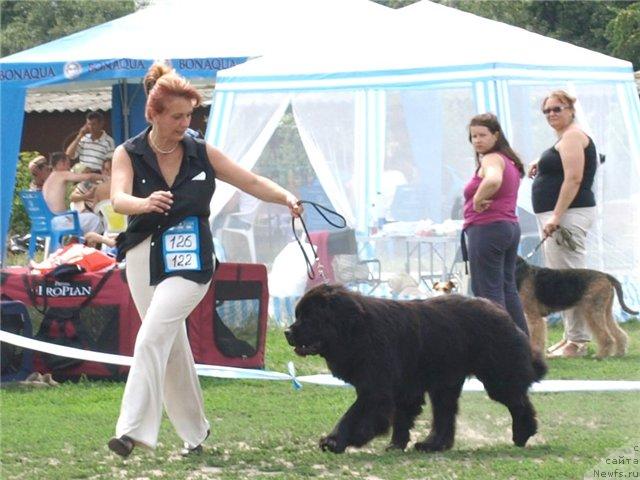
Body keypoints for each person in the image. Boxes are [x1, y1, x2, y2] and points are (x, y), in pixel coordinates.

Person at [107, 62, 302, 458]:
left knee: (151, 336)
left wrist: (285, 197)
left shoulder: (200, 151)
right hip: (144, 252)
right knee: (170, 342)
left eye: (190, 114)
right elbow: (118, 199)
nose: (186, 123)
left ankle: (130, 431)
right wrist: (144, 203)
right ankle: (195, 434)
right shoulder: (127, 153)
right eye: (177, 116)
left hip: (192, 256)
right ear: (154, 114)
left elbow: (249, 180)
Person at [528, 90, 597, 358]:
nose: (551, 114)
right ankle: (571, 336)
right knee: (561, 276)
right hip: (558, 214)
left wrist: (556, 215)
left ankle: (578, 341)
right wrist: (541, 162)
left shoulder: (573, 136)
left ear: (571, 109)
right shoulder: (565, 139)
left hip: (567, 214)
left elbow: (574, 179)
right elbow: (560, 163)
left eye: (557, 108)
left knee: (570, 279)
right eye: (547, 111)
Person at [462, 113, 528, 335]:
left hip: (487, 228)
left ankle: (499, 347)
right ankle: (522, 346)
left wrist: (478, 198)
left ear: (496, 135)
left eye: (483, 135)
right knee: (507, 288)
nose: (478, 140)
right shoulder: (509, 160)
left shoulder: (491, 159)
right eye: (474, 136)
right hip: (508, 227)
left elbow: (492, 180)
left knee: (487, 291)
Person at [42, 152, 103, 234]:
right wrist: (106, 177)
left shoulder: (49, 179)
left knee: (84, 217)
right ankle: (86, 245)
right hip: (60, 220)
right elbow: (89, 176)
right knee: (95, 220)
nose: (69, 167)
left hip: (48, 221)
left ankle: (76, 242)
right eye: (68, 164)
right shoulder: (62, 174)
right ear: (61, 163)